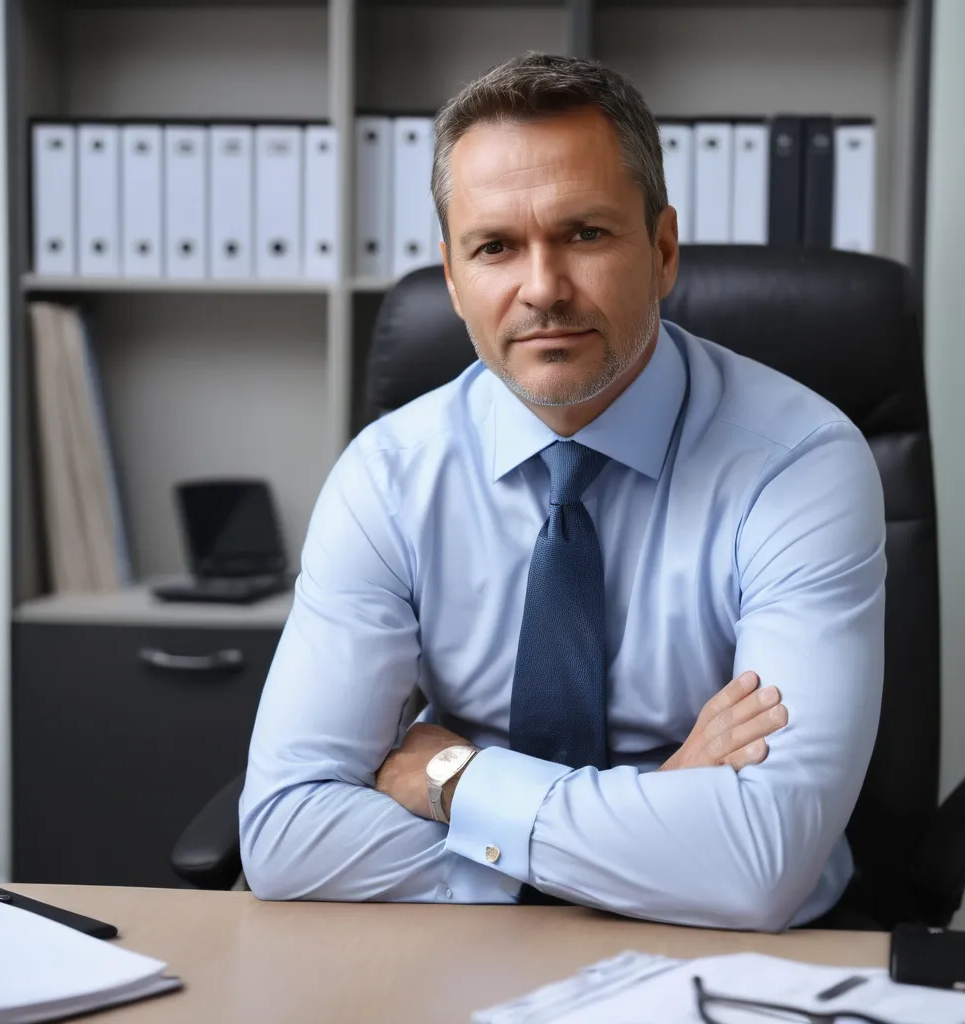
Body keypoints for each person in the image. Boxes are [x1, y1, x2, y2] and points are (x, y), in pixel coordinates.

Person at [239, 52, 885, 932]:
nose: (541, 289)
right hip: (464, 956)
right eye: (496, 247)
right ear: (455, 281)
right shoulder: (386, 477)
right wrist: (660, 810)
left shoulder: (799, 462)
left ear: (662, 251)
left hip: (741, 963)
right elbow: (284, 834)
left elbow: (760, 865)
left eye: (584, 233)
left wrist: (456, 781)